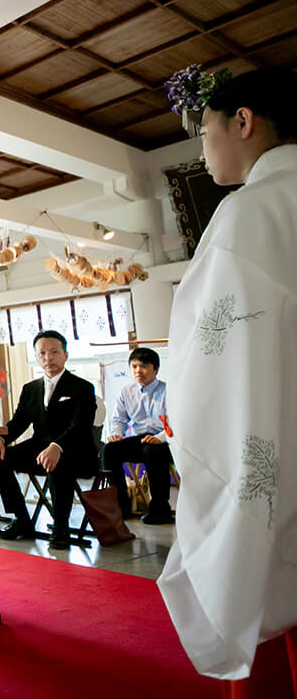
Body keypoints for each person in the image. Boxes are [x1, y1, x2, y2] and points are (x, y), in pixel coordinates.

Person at [157, 68, 297, 695]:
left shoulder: (251, 210)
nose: (204, 147)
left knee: (260, 588)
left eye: (206, 130)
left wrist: (183, 417)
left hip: (276, 428)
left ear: (243, 122)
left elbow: (211, 350)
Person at [0, 330, 97, 550]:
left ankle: (61, 527)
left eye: (54, 352)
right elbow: (18, 423)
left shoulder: (82, 387)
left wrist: (57, 446)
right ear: (37, 357)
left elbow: (80, 426)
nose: (48, 358)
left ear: (65, 354)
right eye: (42, 353)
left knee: (58, 462)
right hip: (39, 448)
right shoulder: (30, 389)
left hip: (75, 451)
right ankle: (21, 520)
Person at [101, 347, 172, 524]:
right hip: (141, 439)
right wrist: (116, 434)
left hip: (166, 440)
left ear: (156, 369)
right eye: (134, 366)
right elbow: (118, 419)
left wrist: (160, 438)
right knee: (109, 450)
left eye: (144, 366)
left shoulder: (168, 391)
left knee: (152, 451)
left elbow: (177, 423)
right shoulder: (127, 392)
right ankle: (121, 506)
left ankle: (160, 509)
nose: (138, 371)